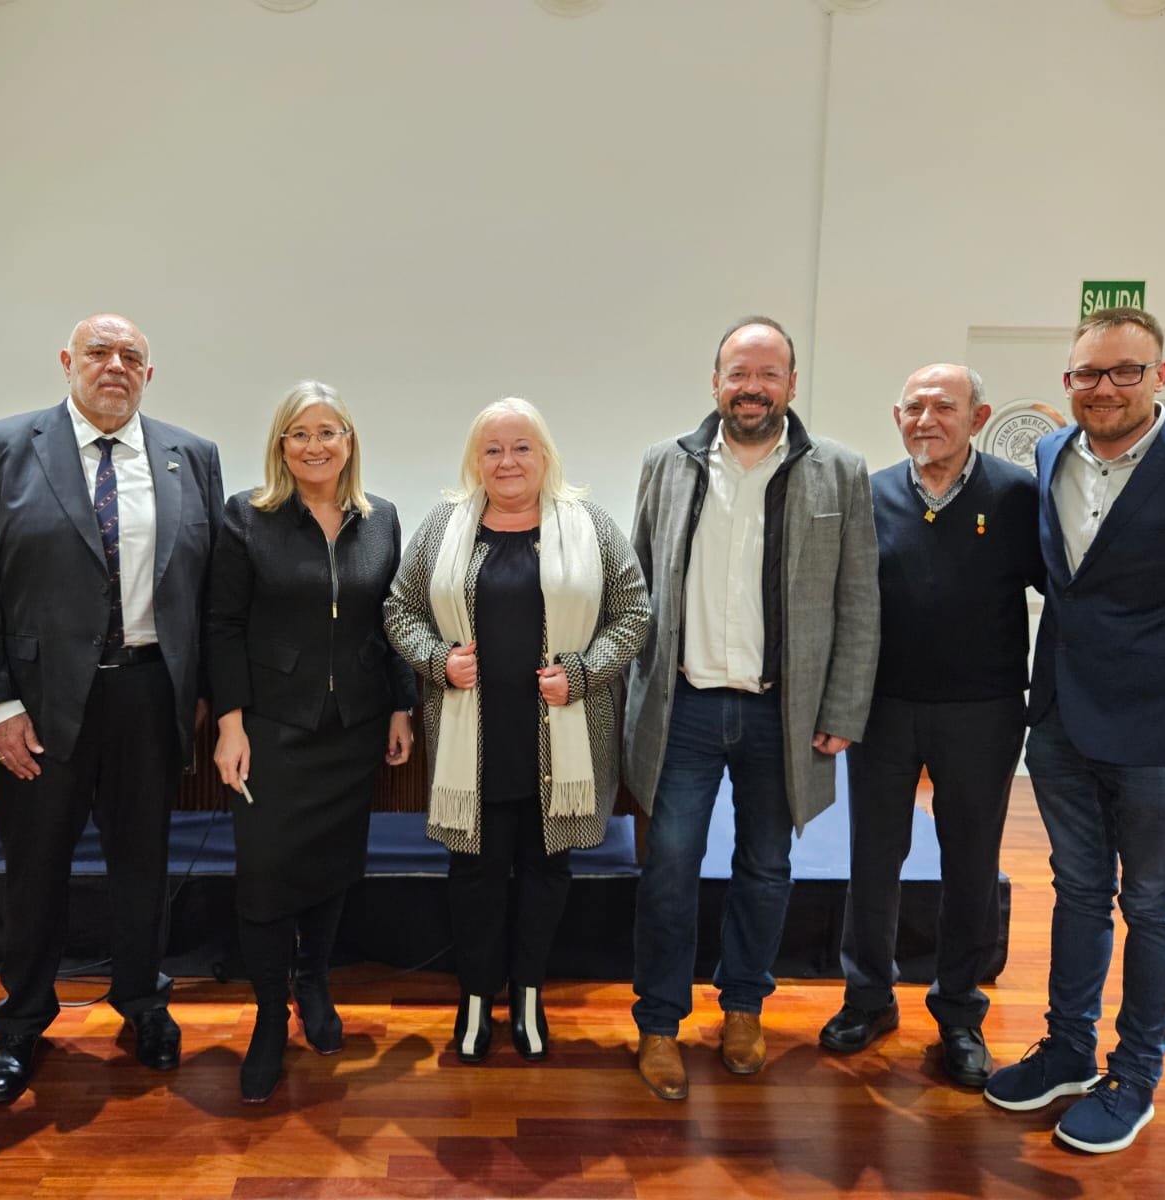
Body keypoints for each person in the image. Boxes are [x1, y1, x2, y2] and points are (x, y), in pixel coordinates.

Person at [982, 307, 1165, 1152]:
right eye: (1086, 373)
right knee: (1076, 890)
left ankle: (1135, 1075)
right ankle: (1069, 1050)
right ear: (1068, 382)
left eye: (1122, 372)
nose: (1102, 388)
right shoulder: (1049, 454)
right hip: (1062, 724)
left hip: (1160, 733)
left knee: (1152, 902)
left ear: (1159, 376)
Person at [0, 313, 225, 1103]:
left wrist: (201, 691)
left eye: (131, 356)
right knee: (34, 870)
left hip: (149, 695)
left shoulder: (189, 456)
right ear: (67, 362)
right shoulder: (3, 447)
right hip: (37, 706)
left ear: (149, 373)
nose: (115, 365)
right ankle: (21, 1021)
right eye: (99, 353)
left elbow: (205, 592)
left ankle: (142, 1002)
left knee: (144, 863)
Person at [625, 315, 880, 1101]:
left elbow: (859, 600)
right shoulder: (666, 463)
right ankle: (660, 1024)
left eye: (769, 373)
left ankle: (742, 1008)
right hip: (686, 709)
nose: (753, 387)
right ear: (716, 381)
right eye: (739, 372)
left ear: (792, 385)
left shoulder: (838, 471)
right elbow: (637, 582)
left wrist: (843, 704)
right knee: (667, 869)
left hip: (785, 713)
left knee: (766, 868)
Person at [385, 398, 648, 1063]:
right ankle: (476, 998)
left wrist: (586, 672)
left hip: (562, 743)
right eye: (493, 449)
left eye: (522, 447)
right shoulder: (445, 526)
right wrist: (438, 660)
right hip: (472, 744)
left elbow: (635, 614)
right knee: (474, 874)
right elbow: (399, 609)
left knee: (545, 872)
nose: (508, 461)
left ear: (545, 454)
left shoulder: (591, 525)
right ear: (476, 460)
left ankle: (528, 995)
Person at [819, 363, 1041, 1088]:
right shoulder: (870, 493)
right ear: (896, 417)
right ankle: (869, 998)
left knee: (971, 864)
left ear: (978, 418)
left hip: (984, 711)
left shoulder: (1016, 495)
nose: (925, 420)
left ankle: (959, 1014)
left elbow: (1067, 593)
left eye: (943, 407)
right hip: (884, 708)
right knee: (874, 859)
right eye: (913, 408)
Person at [209, 381, 417, 1103]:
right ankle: (269, 1018)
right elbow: (223, 626)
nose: (314, 445)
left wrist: (400, 709)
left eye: (328, 431)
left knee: (331, 870)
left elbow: (393, 624)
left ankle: (315, 987)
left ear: (348, 442)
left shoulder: (381, 518)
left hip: (352, 729)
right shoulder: (248, 517)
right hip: (272, 729)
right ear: (280, 446)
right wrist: (229, 723)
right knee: (266, 878)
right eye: (299, 433)